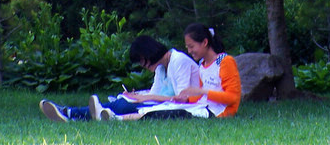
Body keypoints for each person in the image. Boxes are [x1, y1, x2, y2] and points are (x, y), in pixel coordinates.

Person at [39, 34, 199, 122]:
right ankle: (72, 114)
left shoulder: (179, 61)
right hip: (164, 104)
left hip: (184, 106)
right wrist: (140, 95)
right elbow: (156, 91)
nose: (143, 66)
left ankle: (72, 113)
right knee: (123, 101)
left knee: (123, 105)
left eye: (142, 61)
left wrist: (146, 97)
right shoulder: (161, 67)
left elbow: (182, 98)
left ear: (149, 54)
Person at [112, 22, 241, 121]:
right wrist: (186, 98)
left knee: (170, 113)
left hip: (218, 112)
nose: (189, 51)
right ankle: (113, 115)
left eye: (191, 46)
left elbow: (232, 98)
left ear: (205, 42)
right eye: (187, 47)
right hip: (203, 106)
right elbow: (201, 95)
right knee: (166, 108)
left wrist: (200, 92)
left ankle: (116, 117)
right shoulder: (202, 64)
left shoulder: (225, 61)